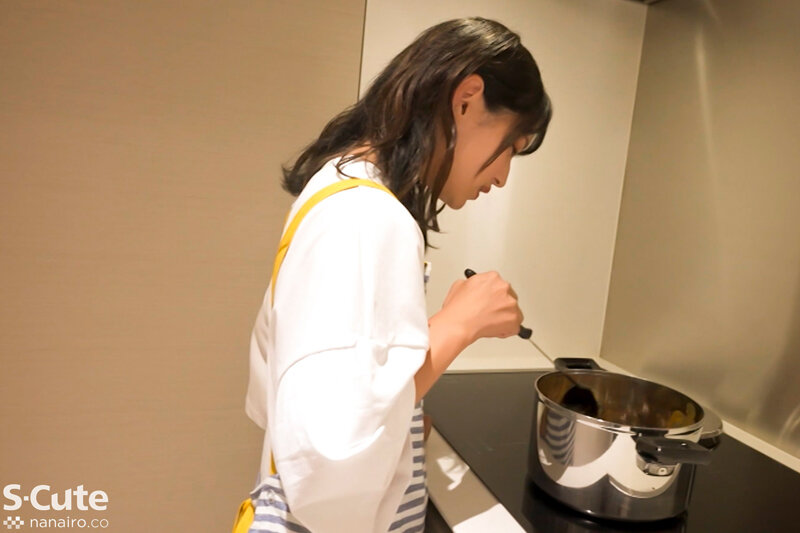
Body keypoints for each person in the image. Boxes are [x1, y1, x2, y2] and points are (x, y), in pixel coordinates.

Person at [240, 16, 551, 533]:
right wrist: (458, 324)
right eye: (511, 148)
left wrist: (398, 427)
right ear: (466, 100)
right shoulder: (366, 216)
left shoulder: (342, 187)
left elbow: (314, 388)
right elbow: (332, 454)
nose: (502, 177)